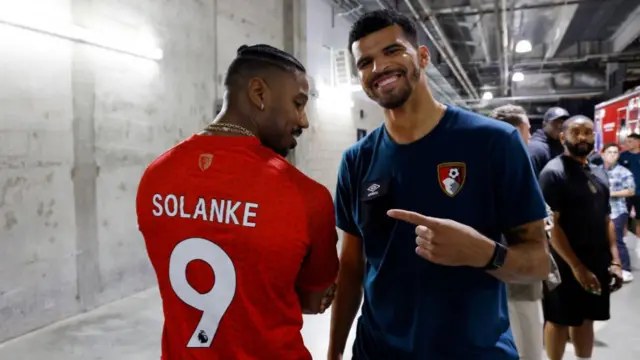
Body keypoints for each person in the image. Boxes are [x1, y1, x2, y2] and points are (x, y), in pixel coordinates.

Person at [329, 10, 550, 360]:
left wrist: (485, 253)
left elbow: (539, 261)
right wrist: (334, 353)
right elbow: (352, 266)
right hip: (377, 351)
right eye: (365, 62)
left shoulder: (494, 142)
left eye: (392, 51)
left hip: (475, 351)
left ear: (423, 56)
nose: (379, 68)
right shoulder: (356, 160)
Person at [136, 44, 339, 360]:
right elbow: (315, 301)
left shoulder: (155, 176)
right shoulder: (307, 197)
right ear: (259, 92)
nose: (304, 121)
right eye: (298, 104)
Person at [539, 115, 624, 360]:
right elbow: (550, 225)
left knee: (586, 318)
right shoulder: (553, 173)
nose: (582, 137)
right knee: (559, 319)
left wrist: (615, 261)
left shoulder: (598, 172)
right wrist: (577, 267)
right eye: (576, 132)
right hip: (564, 263)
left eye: (587, 132)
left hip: (596, 260)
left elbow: (607, 219)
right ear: (563, 136)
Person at [490, 104, 545, 360]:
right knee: (526, 345)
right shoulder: (513, 161)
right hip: (514, 271)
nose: (530, 135)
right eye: (527, 129)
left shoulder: (493, 160)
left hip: (502, 268)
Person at [600, 142, 635, 282]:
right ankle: (609, 265)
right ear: (602, 154)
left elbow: (630, 190)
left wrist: (610, 193)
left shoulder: (624, 172)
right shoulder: (597, 170)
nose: (613, 155)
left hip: (617, 211)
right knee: (602, 240)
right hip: (600, 212)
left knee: (617, 240)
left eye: (615, 152)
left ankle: (625, 268)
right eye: (609, 152)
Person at [529, 107, 570, 178]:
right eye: (555, 122)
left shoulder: (560, 143)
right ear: (544, 124)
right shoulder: (537, 148)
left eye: (563, 123)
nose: (560, 126)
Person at [618, 133, 640, 237]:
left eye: (630, 141)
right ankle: (624, 240)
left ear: (638, 142)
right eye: (626, 141)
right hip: (625, 193)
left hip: (639, 193)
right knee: (624, 217)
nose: (627, 144)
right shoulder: (622, 156)